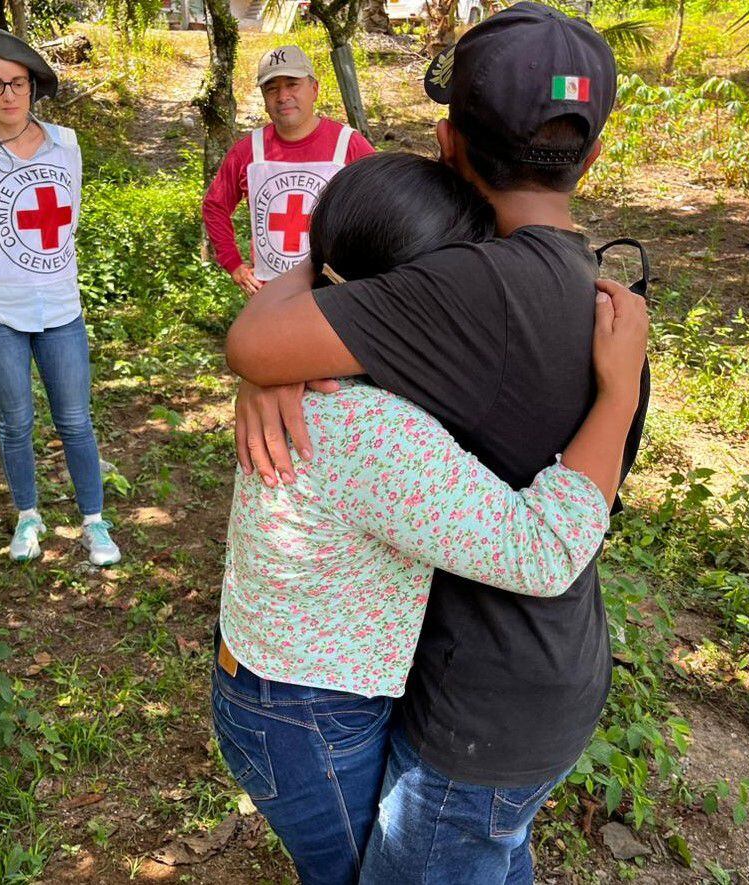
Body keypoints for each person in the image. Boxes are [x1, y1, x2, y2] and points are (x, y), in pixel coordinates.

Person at [224, 4, 652, 882]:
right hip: (532, 670)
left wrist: (276, 353)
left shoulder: (459, 290)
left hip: (480, 700)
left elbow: (259, 339)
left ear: (448, 142)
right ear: (595, 154)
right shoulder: (604, 302)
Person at [0, 30, 121, 566]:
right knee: (14, 420)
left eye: (17, 82)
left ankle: (94, 521)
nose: (8, 95)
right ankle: (28, 517)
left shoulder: (66, 143)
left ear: (33, 86)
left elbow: (69, 218)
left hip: (61, 306)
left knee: (75, 420)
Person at [201, 45, 375, 297]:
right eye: (272, 89)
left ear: (314, 89)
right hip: (271, 297)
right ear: (264, 99)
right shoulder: (248, 150)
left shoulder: (349, 145)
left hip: (335, 295)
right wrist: (234, 265)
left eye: (292, 84)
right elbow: (215, 205)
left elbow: (384, 206)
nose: (282, 96)